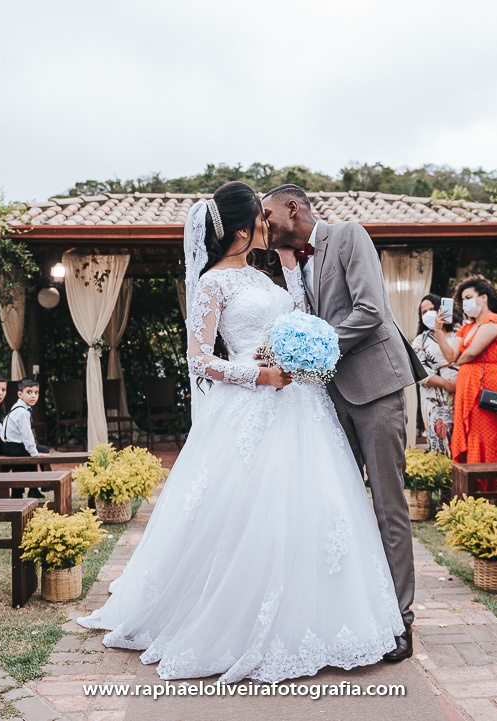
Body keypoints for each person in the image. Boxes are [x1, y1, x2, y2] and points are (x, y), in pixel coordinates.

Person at [78, 181, 407, 683]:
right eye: (260, 216)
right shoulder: (211, 283)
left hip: (302, 405)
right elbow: (200, 358)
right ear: (241, 228)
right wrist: (259, 372)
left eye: (269, 214)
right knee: (248, 512)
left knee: (316, 510)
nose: (267, 222)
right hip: (256, 403)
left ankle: (330, 612)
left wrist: (291, 353)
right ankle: (234, 613)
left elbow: (309, 321)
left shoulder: (269, 274)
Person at [262, 183, 425, 661]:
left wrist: (312, 348)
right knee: (341, 507)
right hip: (328, 396)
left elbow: (371, 312)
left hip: (374, 387)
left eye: (268, 215)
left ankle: (401, 621)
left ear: (293, 208)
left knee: (387, 504)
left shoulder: (349, 235)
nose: (264, 225)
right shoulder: (293, 263)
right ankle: (357, 614)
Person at [433, 275, 497, 477]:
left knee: (488, 437)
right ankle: (471, 490)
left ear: (483, 298)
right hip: (466, 387)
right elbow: (450, 355)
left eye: (469, 297)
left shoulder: (495, 321)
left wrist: (457, 361)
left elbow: (470, 353)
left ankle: (491, 489)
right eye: (463, 300)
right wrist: (439, 331)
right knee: (469, 435)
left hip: (488, 384)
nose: (465, 303)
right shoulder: (466, 328)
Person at [411, 294, 457, 455]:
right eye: (424, 312)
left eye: (432, 309)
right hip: (434, 399)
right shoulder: (419, 341)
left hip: (461, 394)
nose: (429, 314)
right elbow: (419, 372)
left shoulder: (460, 332)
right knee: (439, 440)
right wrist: (446, 384)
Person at [0, 377, 49, 497]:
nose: (33, 396)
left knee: (30, 453)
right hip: (14, 447)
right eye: (29, 392)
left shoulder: (17, 407)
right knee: (41, 451)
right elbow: (27, 436)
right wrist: (34, 453)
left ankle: (29, 490)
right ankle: (45, 485)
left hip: (8, 446)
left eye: (36, 392)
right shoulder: (22, 412)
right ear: (20, 394)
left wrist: (32, 450)